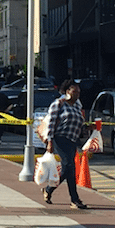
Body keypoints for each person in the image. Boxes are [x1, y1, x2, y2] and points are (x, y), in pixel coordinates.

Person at [43, 79, 88, 209]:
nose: (77, 94)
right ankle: (74, 199)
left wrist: (87, 127)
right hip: (60, 138)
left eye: (78, 92)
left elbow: (78, 124)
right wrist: (50, 141)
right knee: (69, 166)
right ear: (67, 91)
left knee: (69, 170)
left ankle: (49, 189)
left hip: (72, 140)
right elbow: (51, 122)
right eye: (74, 91)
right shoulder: (59, 104)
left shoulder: (77, 107)